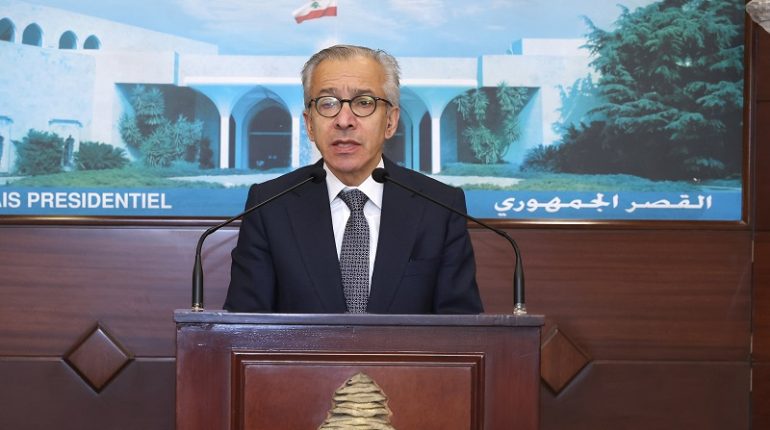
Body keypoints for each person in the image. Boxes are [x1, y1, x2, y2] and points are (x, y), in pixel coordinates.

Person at [224, 44, 483, 314]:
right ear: (309, 124)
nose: (344, 120)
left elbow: (462, 329)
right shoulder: (269, 206)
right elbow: (243, 325)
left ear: (390, 121)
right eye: (327, 103)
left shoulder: (439, 207)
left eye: (364, 103)